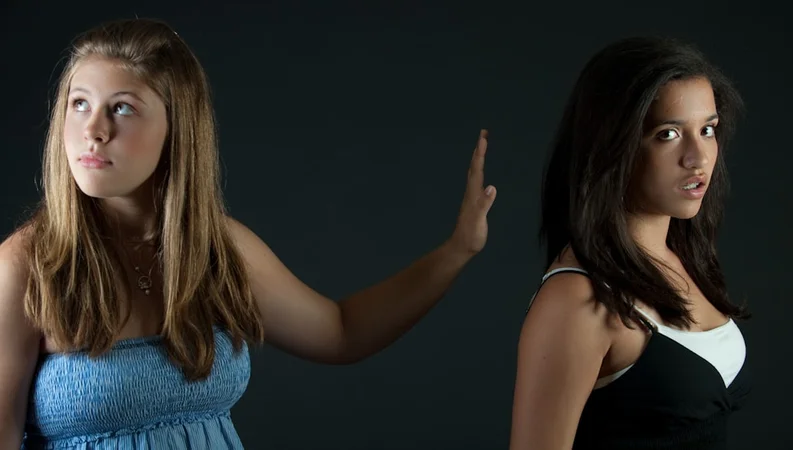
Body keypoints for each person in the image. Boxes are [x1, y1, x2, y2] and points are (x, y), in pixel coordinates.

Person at [0, 18, 497, 449]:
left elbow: (341, 332)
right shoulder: (25, 267)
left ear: (178, 128)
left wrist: (455, 252)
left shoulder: (218, 249)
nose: (94, 130)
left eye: (122, 108)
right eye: (79, 103)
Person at [509, 36, 752, 449]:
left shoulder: (681, 258)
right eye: (668, 134)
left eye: (707, 129)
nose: (699, 157)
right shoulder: (579, 299)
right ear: (613, 144)